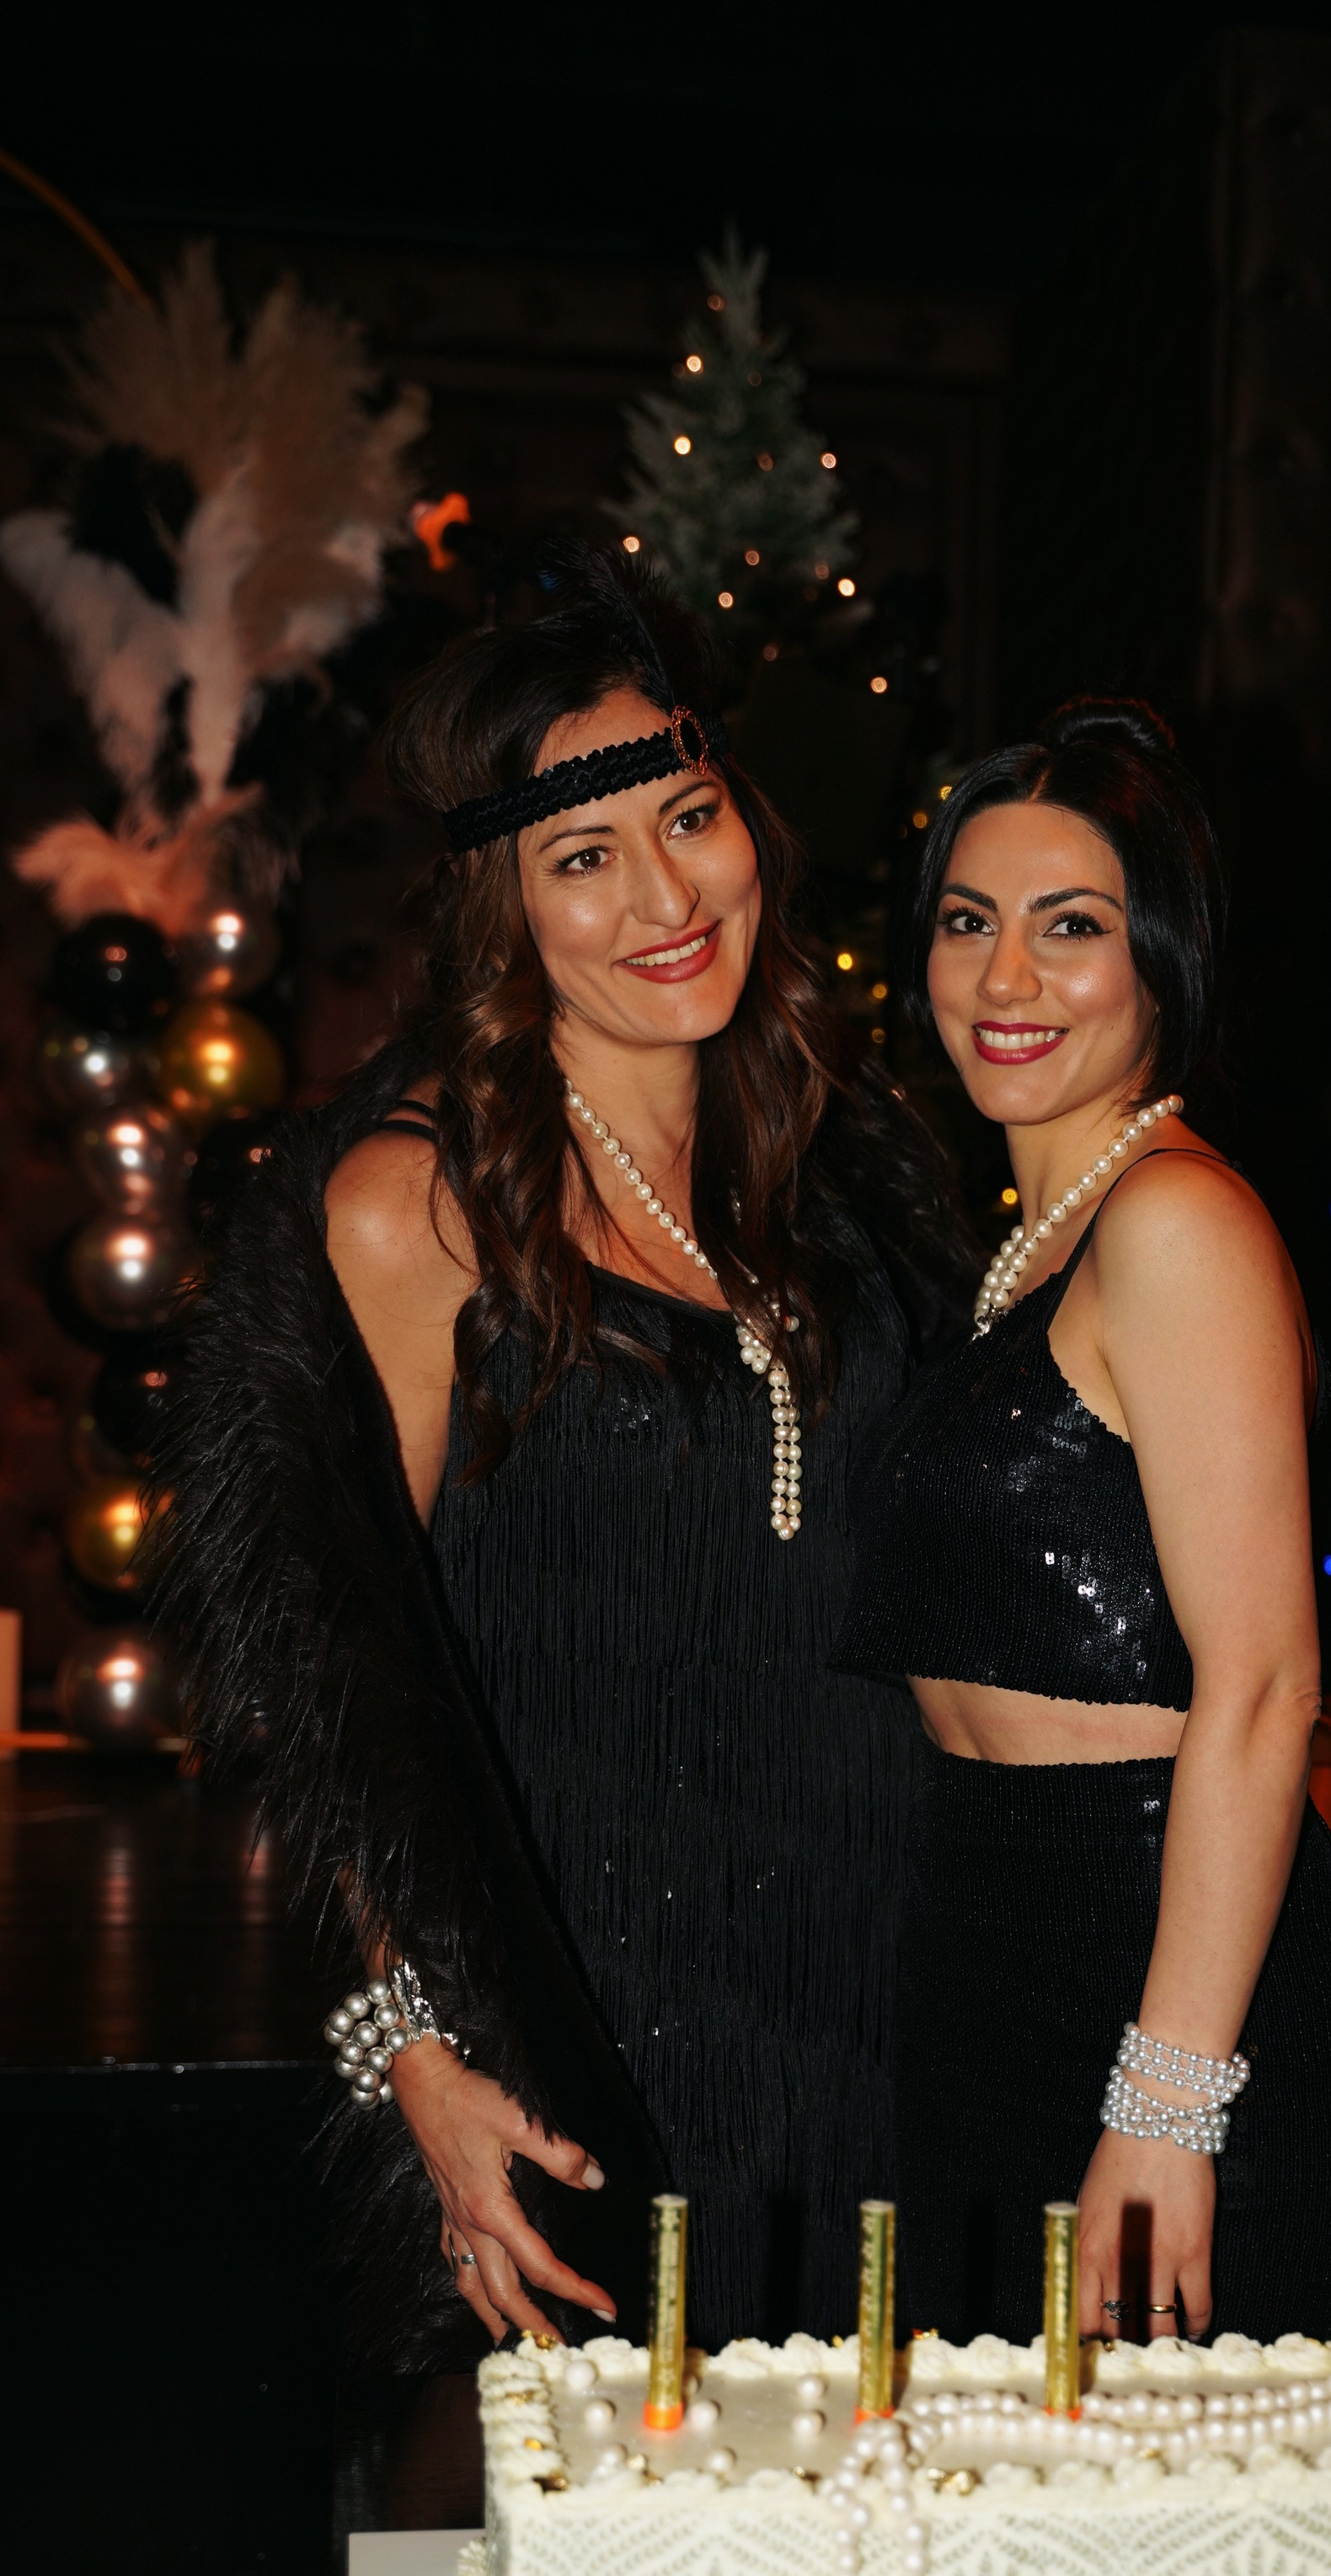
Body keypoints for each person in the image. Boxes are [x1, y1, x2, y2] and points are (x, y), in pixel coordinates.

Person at [153, 549, 971, 2364]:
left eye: (688, 818)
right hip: (589, 2056)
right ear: (501, 908)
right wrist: (412, 2052)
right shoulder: (417, 1210)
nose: (665, 897)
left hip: (877, 2024)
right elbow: (339, 1680)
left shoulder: (839, 1165)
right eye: (583, 859)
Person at [836, 699, 1331, 2348]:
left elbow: (1267, 1687)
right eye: (967, 922)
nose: (1005, 978)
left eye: (1070, 927)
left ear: (1161, 958)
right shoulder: (1027, 1245)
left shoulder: (1175, 1219)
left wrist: (1168, 2098)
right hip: (991, 1953)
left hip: (1160, 1970)